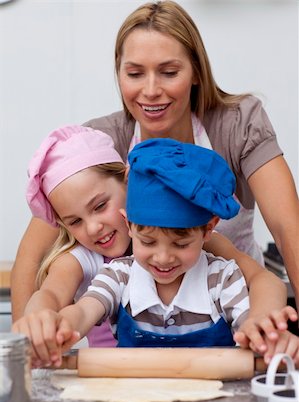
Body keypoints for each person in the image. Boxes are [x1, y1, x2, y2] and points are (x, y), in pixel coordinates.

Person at [11, 1, 298, 337]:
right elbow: (33, 260)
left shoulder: (237, 124)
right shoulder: (101, 143)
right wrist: (27, 353)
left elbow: (286, 228)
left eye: (169, 72)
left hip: (238, 321)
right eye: (134, 74)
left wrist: (262, 325)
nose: (150, 90)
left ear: (196, 72)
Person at [13, 139, 298, 368]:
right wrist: (46, 322)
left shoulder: (219, 274)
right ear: (130, 223)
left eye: (181, 243)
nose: (163, 257)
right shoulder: (116, 273)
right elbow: (69, 304)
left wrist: (262, 326)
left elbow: (263, 281)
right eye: (148, 242)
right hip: (121, 383)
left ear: (207, 231)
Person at [14, 125, 133, 353]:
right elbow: (50, 293)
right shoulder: (83, 260)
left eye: (100, 206)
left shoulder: (176, 240)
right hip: (107, 383)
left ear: (127, 183)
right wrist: (39, 317)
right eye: (75, 221)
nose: (93, 228)